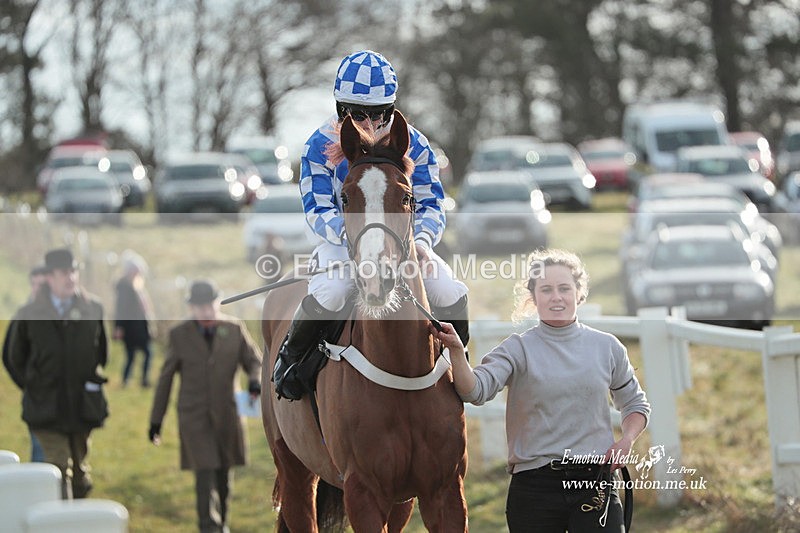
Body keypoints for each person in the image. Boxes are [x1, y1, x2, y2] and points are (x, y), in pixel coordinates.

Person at [273, 49, 470, 399]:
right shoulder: (317, 146)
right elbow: (317, 209)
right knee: (332, 293)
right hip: (342, 242)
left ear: (392, 109)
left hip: (404, 244)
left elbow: (432, 203)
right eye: (357, 114)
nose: (370, 123)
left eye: (380, 113)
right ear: (340, 110)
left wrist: (421, 242)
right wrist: (358, 242)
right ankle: (291, 361)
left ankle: (460, 366)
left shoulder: (418, 146)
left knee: (449, 290)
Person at [431, 248, 651, 532]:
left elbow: (635, 405)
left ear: (579, 293)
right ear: (533, 298)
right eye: (546, 289)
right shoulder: (517, 349)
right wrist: (457, 352)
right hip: (534, 487)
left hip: (594, 482)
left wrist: (627, 440)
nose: (556, 297)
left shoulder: (607, 347)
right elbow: (475, 391)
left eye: (564, 288)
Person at [148, 280, 262, 533]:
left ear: (217, 303)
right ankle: (208, 527)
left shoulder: (234, 329)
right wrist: (156, 420)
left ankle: (222, 523)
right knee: (204, 471)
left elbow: (254, 361)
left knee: (224, 474)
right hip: (194, 416)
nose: (206, 313)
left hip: (227, 414)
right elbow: (165, 379)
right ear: (191, 308)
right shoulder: (179, 336)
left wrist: (254, 382)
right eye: (199, 308)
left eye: (209, 306)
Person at [6, 248, 109, 499]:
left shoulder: (92, 308)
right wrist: (34, 385)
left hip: (81, 405)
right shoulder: (29, 313)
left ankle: (76, 515)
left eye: (74, 271)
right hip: (46, 406)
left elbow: (101, 353)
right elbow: (13, 357)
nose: (71, 278)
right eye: (64, 273)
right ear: (50, 277)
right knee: (58, 468)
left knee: (80, 474)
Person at [2, 264, 49, 462]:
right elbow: (9, 356)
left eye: (42, 284)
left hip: (66, 400)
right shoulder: (24, 314)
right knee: (40, 451)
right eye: (34, 284)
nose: (38, 289)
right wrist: (29, 383)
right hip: (37, 398)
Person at [113, 251, 154, 388]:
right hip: (132, 327)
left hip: (139, 326)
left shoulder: (136, 285)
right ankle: (131, 380)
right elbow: (121, 309)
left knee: (141, 354)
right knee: (135, 354)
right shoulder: (125, 288)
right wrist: (119, 327)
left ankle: (138, 380)